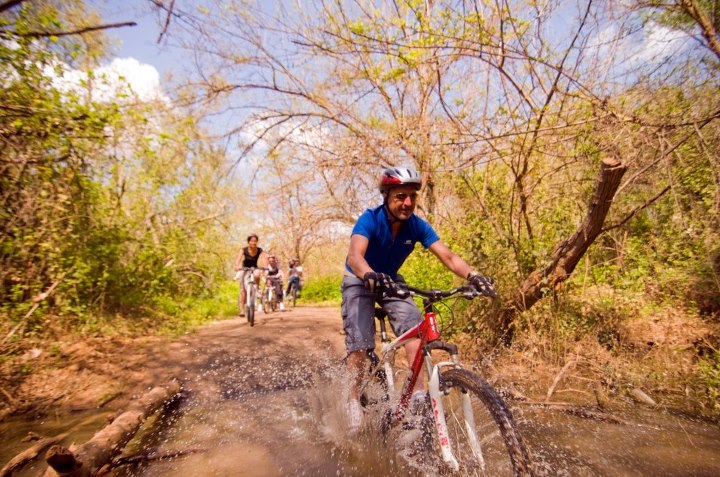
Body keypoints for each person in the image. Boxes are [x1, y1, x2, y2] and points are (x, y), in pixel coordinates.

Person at [341, 167, 496, 434]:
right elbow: (355, 256)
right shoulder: (370, 219)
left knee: (415, 332)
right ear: (386, 196)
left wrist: (475, 275)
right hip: (360, 277)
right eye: (401, 196)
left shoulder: (417, 226)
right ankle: (353, 398)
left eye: (413, 196)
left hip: (390, 279)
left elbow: (448, 256)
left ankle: (418, 396)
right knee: (359, 344)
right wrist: (368, 274)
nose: (408, 203)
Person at [234, 233, 267, 316]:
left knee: (257, 274)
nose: (253, 242)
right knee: (243, 290)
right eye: (252, 241)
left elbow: (264, 258)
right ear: (248, 242)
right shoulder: (243, 250)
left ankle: (258, 288)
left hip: (254, 267)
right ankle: (242, 309)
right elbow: (238, 259)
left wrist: (266, 267)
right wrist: (237, 266)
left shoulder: (259, 250)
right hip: (244, 268)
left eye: (255, 241)